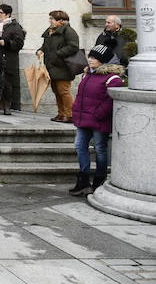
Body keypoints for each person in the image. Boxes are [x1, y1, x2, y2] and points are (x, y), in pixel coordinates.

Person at [69, 44, 124, 196]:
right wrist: (75, 110)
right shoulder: (88, 74)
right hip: (83, 118)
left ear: (103, 60)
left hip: (99, 120)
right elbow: (80, 97)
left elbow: (110, 100)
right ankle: (83, 180)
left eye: (94, 58)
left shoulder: (112, 78)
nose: (90, 60)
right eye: (90, 56)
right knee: (80, 146)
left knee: (100, 149)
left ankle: (99, 180)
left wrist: (98, 114)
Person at [38, 10, 80, 123]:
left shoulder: (69, 31)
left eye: (52, 19)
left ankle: (70, 115)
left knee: (64, 91)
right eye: (50, 18)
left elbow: (73, 47)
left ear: (60, 21)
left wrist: (58, 54)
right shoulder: (50, 32)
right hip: (52, 66)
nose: (50, 21)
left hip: (63, 66)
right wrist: (40, 51)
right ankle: (61, 114)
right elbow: (44, 46)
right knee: (56, 91)